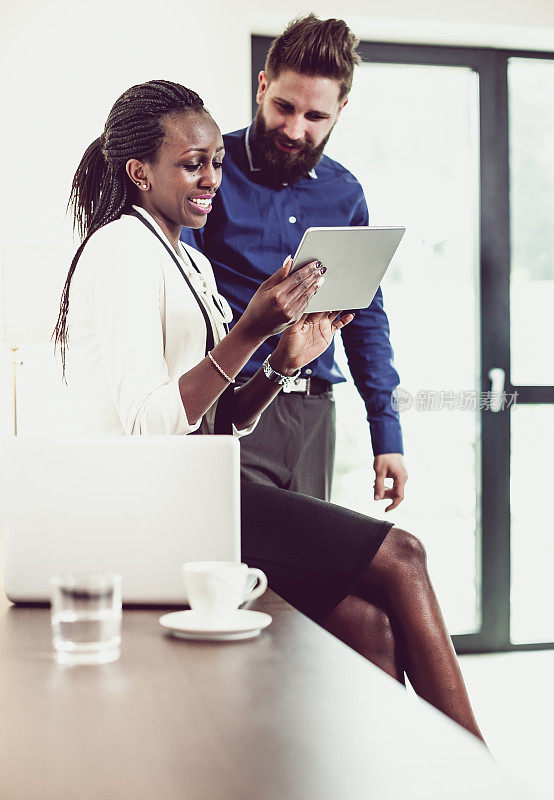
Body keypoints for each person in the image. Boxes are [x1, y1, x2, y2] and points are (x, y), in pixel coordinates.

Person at [55, 79, 484, 742]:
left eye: (216, 164)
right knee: (403, 555)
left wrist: (282, 364)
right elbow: (149, 426)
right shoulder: (121, 250)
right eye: (191, 164)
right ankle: (481, 775)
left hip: (197, 489)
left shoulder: (184, 262)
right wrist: (250, 332)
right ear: (140, 172)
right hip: (155, 503)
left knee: (369, 626)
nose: (210, 179)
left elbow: (222, 420)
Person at [180, 14, 408, 508]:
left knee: (303, 582)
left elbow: (365, 314)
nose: (294, 128)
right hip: (228, 404)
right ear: (262, 86)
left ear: (340, 110)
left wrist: (386, 433)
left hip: (313, 415)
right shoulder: (206, 175)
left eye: (315, 117)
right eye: (284, 106)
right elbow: (184, 295)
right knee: (233, 572)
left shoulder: (345, 193)